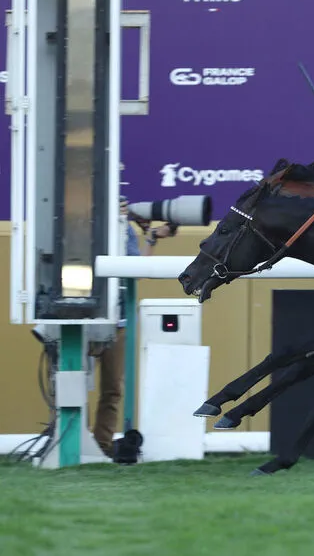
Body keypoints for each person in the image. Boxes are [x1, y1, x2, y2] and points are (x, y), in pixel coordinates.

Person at [89, 192, 177, 458]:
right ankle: (70, 444)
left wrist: (150, 238)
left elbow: (136, 269)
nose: (123, 210)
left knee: (113, 389)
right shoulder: (83, 226)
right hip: (87, 317)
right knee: (73, 385)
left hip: (120, 320)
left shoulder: (124, 229)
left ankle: (101, 448)